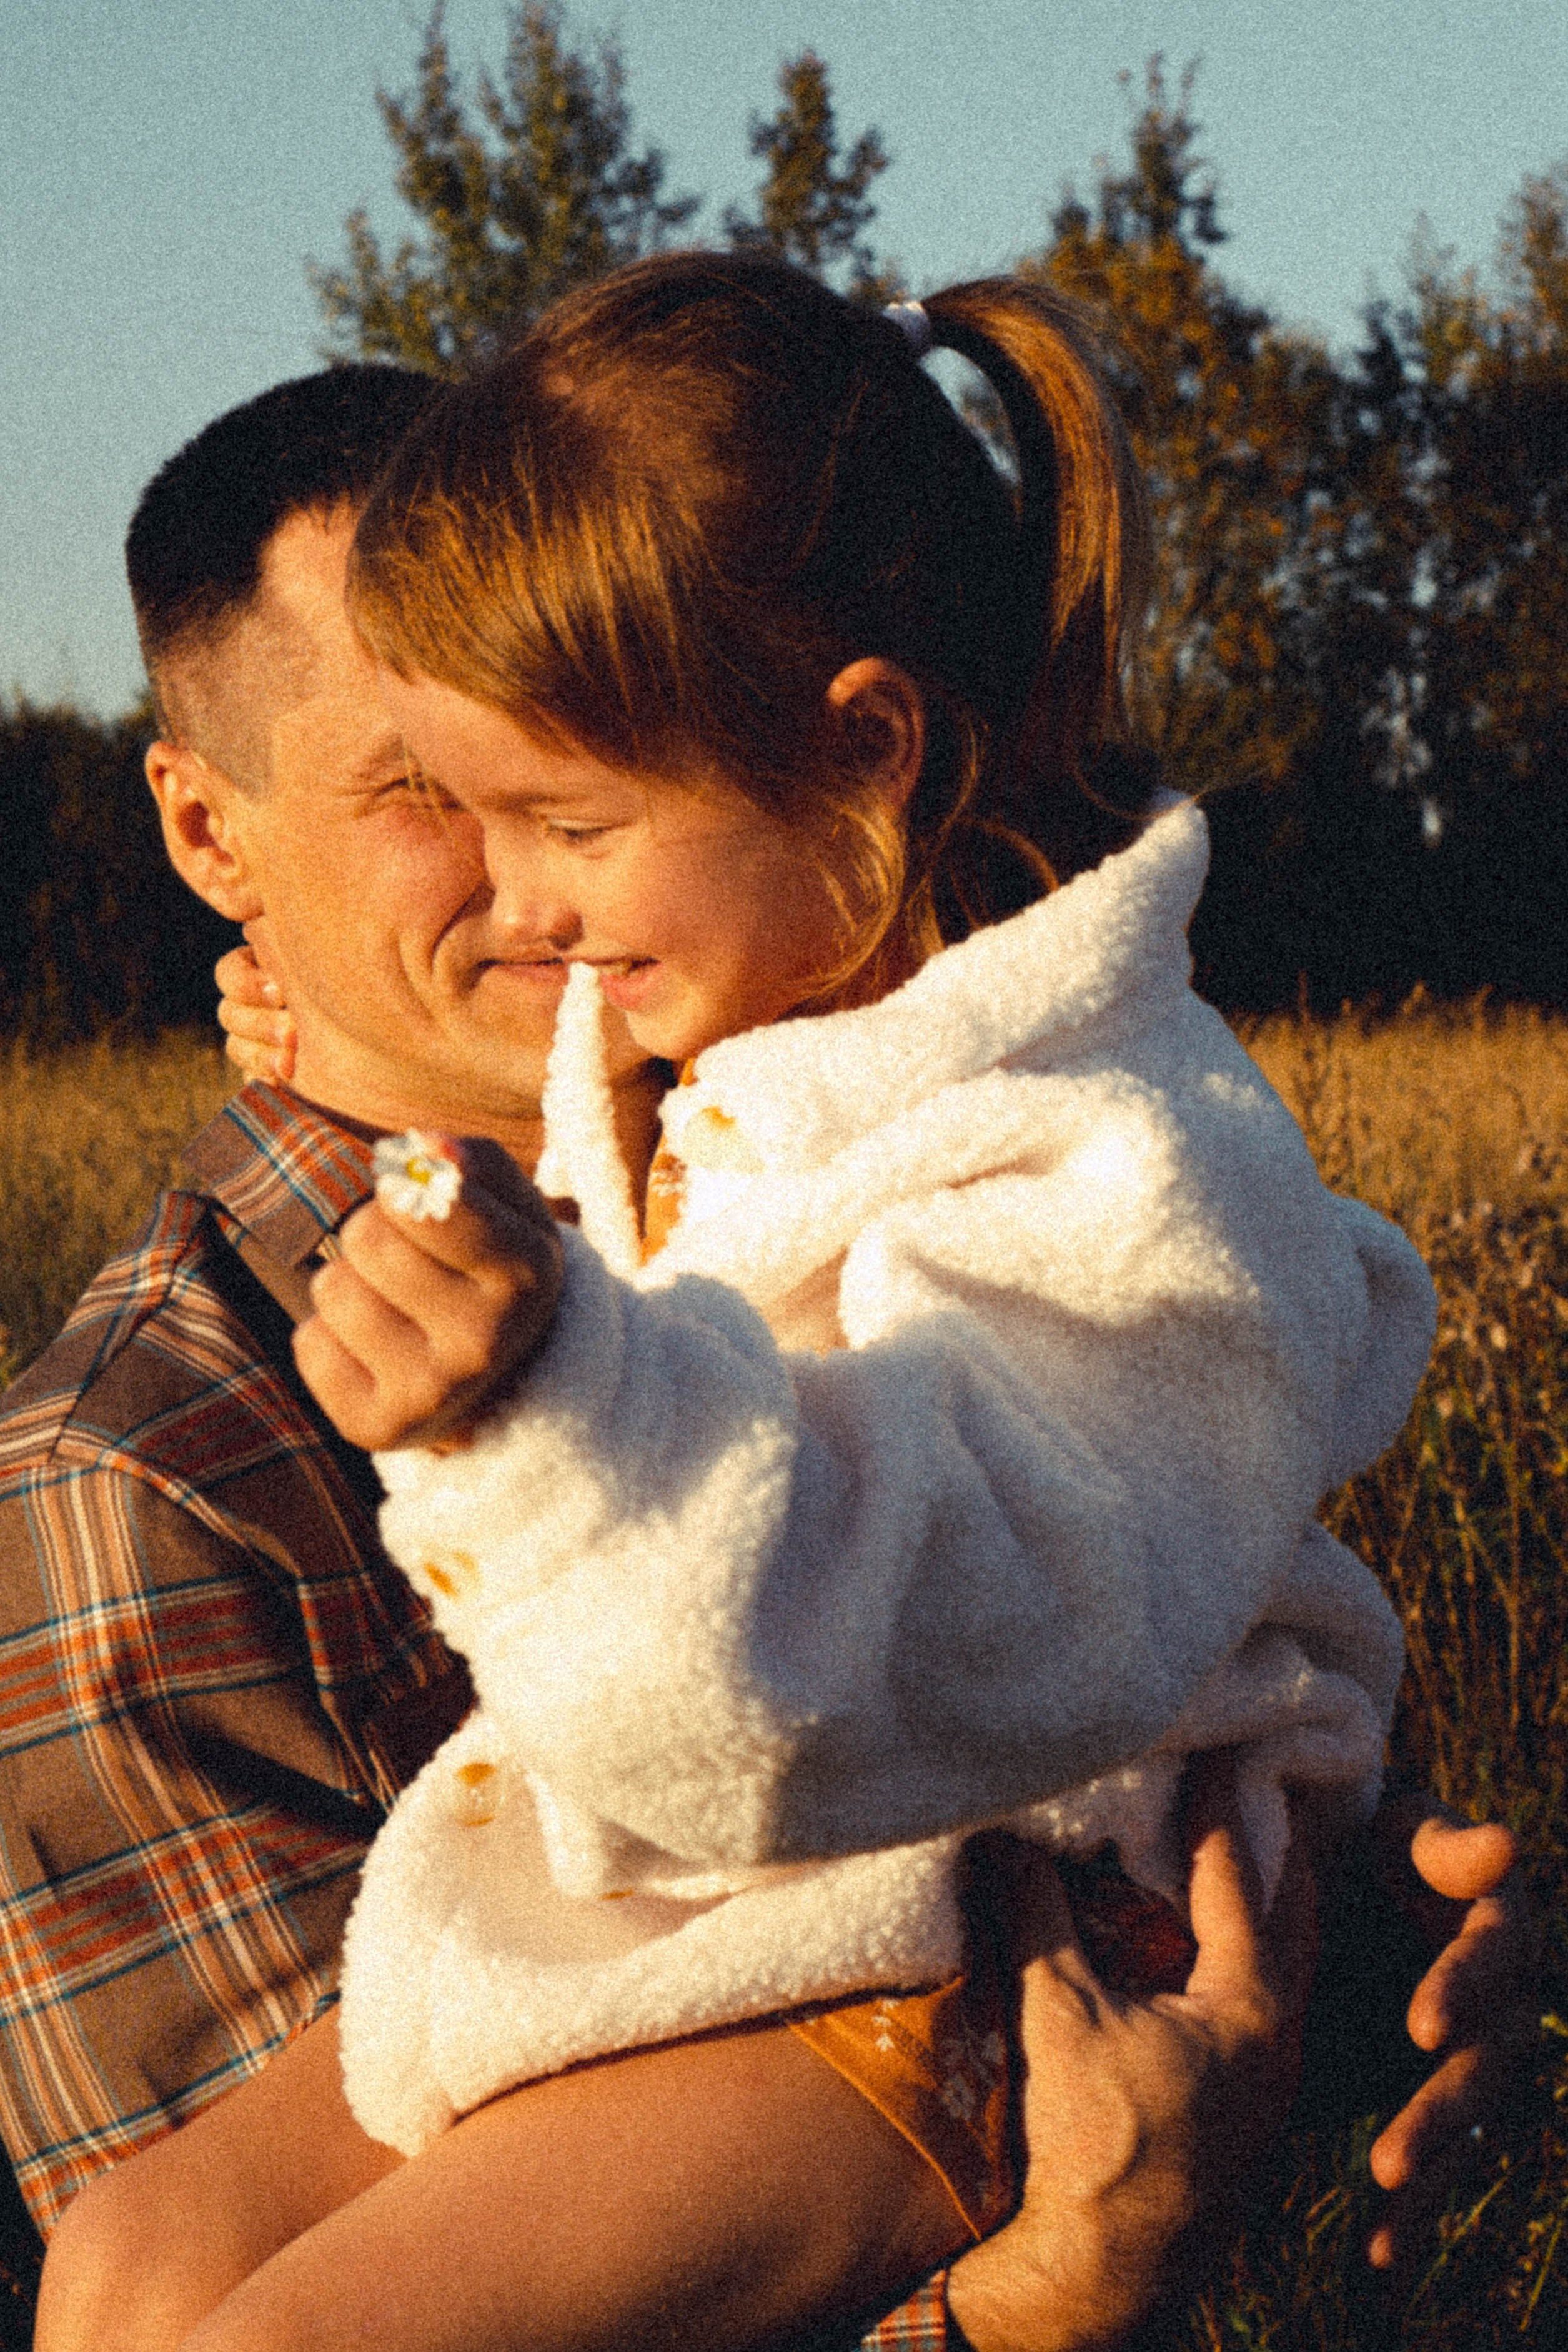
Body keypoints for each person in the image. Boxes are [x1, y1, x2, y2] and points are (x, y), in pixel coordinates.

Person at [34, 261, 1539, 2352]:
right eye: (428, 809)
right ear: (215, 843)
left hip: (939, 1934)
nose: (525, 901)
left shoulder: (1039, 1144)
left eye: (559, 813)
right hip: (742, 1922)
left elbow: (993, 1581)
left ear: (854, 750)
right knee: (127, 2271)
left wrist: (562, 1419)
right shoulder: (133, 1484)